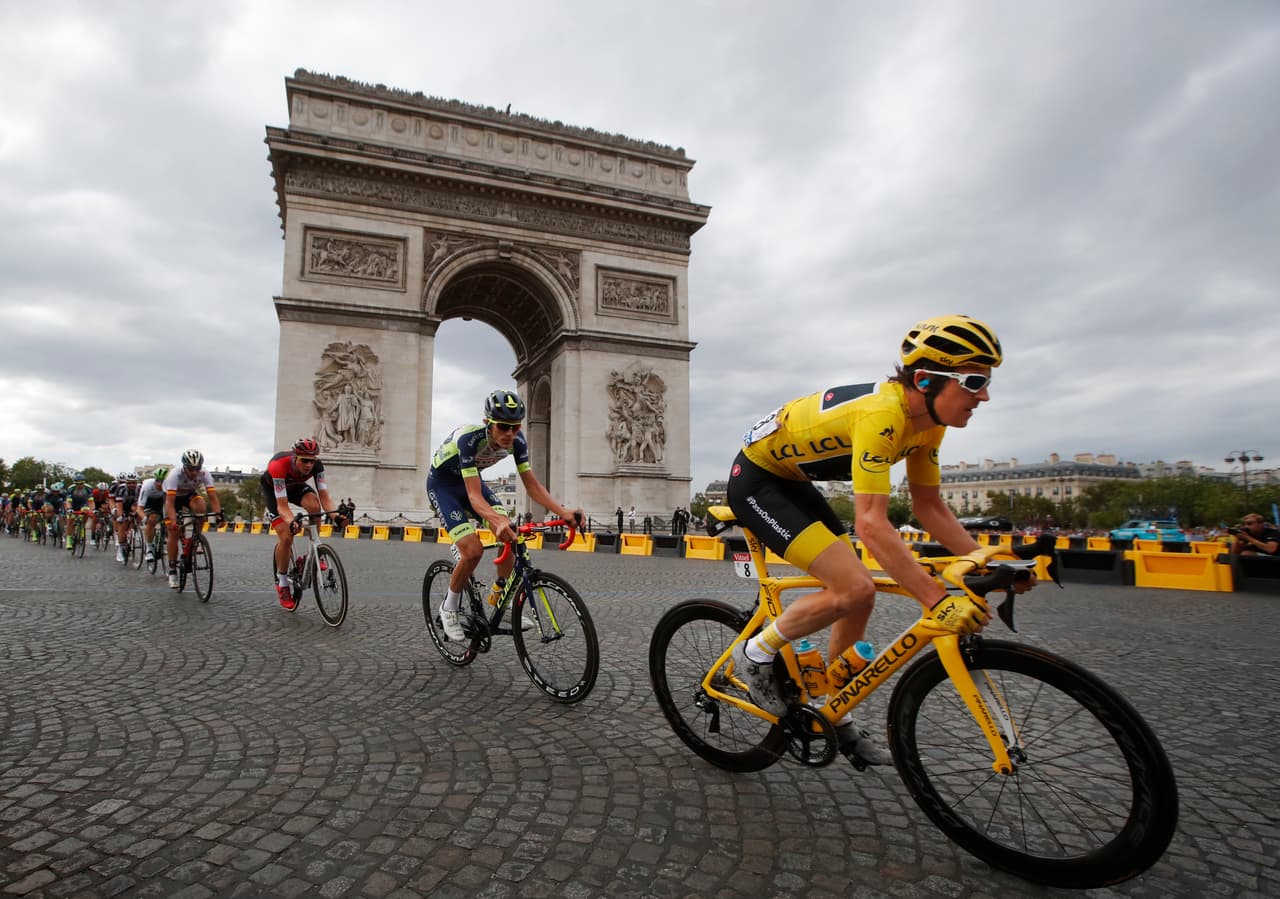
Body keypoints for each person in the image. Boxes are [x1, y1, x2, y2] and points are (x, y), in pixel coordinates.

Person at [726, 314, 1035, 767]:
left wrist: (986, 560)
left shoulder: (929, 423)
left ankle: (832, 708)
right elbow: (871, 524)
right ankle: (754, 654)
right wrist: (935, 600)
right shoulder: (883, 415)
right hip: (757, 479)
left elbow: (929, 507)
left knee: (859, 597)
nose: (984, 395)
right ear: (927, 380)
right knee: (854, 586)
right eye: (973, 382)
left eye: (986, 382)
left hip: (792, 480)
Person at [427, 389, 583, 642]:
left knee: (513, 536)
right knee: (473, 551)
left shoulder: (517, 441)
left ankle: (501, 598)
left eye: (515, 426)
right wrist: (497, 520)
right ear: (488, 423)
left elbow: (532, 485)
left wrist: (562, 511)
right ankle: (449, 608)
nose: (510, 433)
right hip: (444, 486)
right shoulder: (469, 439)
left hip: (471, 482)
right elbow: (474, 497)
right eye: (503, 427)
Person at [262, 438, 346, 609]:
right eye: (304, 461)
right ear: (295, 457)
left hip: (296, 487)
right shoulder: (279, 465)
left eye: (312, 461)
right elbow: (283, 506)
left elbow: (325, 497)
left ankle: (313, 552)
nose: (309, 465)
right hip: (274, 492)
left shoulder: (317, 466)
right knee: (286, 536)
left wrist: (336, 516)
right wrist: (291, 521)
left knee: (314, 505)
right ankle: (283, 583)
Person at [161, 450, 225, 589]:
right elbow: (170, 503)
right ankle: (172, 570)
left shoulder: (205, 473)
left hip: (189, 494)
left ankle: (196, 538)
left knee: (201, 506)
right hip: (172, 498)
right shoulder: (175, 475)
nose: (195, 472)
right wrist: (173, 521)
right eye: (191, 469)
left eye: (197, 468)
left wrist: (218, 514)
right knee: (173, 532)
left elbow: (213, 497)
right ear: (184, 467)